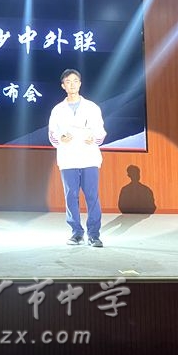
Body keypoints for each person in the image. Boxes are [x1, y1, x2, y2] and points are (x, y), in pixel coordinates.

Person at [48, 68, 106, 247]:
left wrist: (93, 137)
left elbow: (101, 131)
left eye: (75, 81)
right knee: (71, 196)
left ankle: (94, 234)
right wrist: (61, 138)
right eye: (68, 82)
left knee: (92, 196)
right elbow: (52, 134)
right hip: (68, 158)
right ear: (63, 86)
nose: (72, 85)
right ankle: (76, 232)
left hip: (89, 157)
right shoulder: (57, 110)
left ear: (80, 84)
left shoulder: (92, 107)